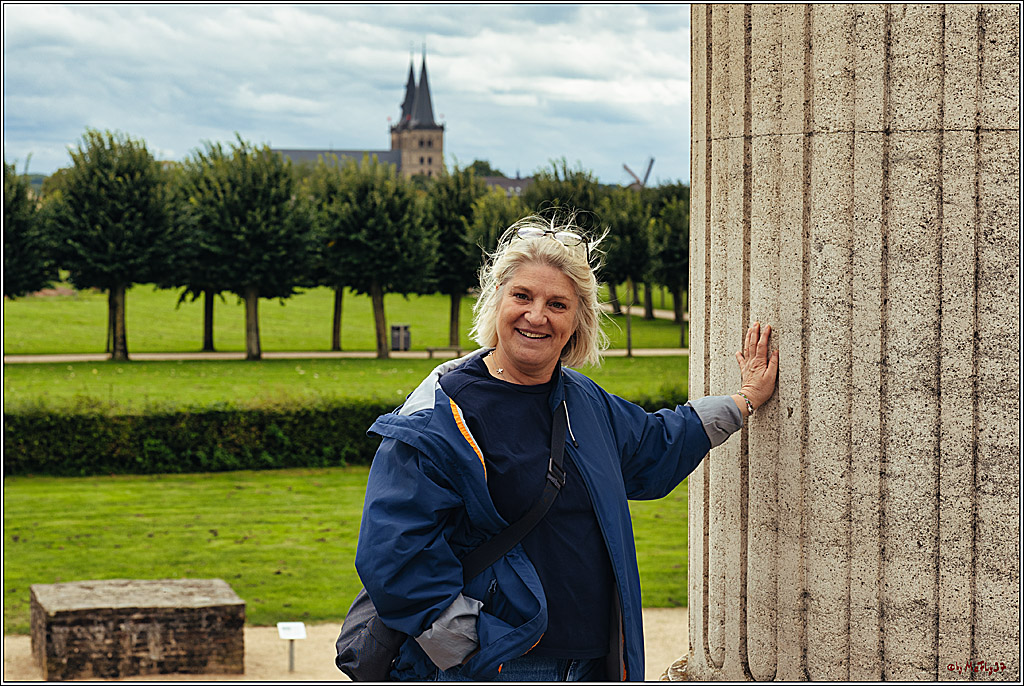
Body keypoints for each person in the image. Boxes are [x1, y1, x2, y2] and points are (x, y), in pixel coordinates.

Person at [354, 214, 779, 681]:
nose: (537, 316)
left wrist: (744, 400)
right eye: (522, 296)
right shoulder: (440, 412)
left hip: (594, 662)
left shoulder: (582, 399)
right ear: (496, 300)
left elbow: (656, 444)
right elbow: (395, 553)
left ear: (578, 321)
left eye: (557, 304)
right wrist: (476, 646)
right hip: (504, 667)